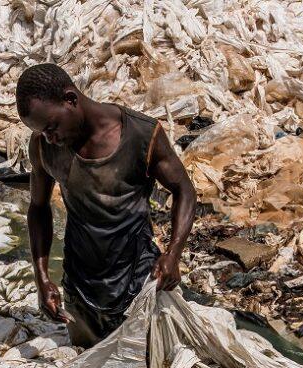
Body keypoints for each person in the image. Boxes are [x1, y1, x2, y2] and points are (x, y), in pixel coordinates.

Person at [16, 63, 196, 347]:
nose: (50, 138)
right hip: (80, 289)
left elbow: (184, 189)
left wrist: (173, 253)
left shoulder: (140, 134)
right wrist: (42, 278)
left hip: (137, 282)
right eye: (42, 131)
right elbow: (38, 208)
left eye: (52, 127)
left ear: (71, 99)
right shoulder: (43, 146)